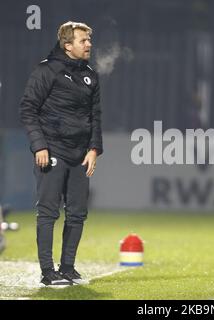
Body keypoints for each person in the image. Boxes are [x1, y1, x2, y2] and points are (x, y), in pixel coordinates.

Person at [19, 21, 103, 287]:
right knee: (48, 213)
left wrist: (94, 149)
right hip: (52, 150)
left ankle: (67, 267)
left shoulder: (91, 75)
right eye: (83, 41)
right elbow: (28, 109)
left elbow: (95, 116)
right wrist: (39, 145)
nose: (89, 44)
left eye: (89, 40)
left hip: (80, 154)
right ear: (68, 46)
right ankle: (47, 271)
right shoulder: (46, 71)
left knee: (77, 213)